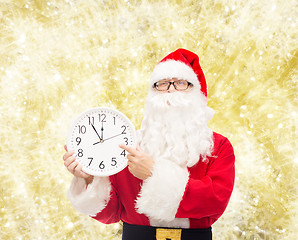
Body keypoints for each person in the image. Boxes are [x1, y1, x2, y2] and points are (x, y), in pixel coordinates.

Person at [63, 48, 235, 240]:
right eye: (162, 84)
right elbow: (112, 213)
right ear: (152, 94)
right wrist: (89, 178)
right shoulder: (127, 145)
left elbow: (214, 202)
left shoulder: (219, 146)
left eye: (180, 83)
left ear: (197, 93)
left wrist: (154, 173)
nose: (171, 89)